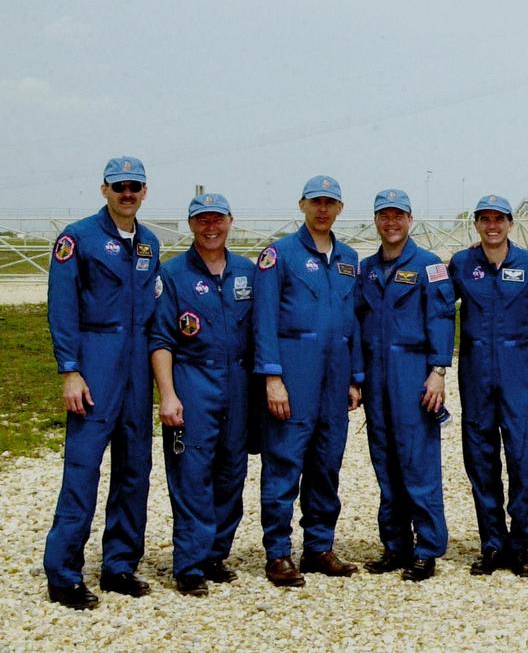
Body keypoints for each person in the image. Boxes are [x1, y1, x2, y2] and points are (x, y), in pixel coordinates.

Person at [44, 156, 161, 609]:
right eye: (119, 187)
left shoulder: (149, 242)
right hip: (95, 361)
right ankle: (63, 573)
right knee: (83, 469)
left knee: (135, 469)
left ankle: (119, 565)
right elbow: (62, 306)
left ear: (145, 192)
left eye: (134, 186)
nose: (126, 194)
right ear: (104, 190)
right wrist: (70, 370)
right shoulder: (78, 239)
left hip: (137, 368)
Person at [253, 175, 363, 587]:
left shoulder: (349, 258)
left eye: (330, 203)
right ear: (301, 205)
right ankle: (278, 553)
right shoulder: (278, 255)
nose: (322, 209)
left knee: (326, 464)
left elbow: (354, 322)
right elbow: (263, 320)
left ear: (339, 208)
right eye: (315, 202)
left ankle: (319, 546)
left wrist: (355, 378)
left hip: (335, 379)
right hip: (294, 375)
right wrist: (272, 378)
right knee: (284, 464)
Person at [150, 193, 255, 597]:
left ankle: (215, 554)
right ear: (191, 224)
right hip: (194, 381)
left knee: (232, 472)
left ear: (230, 221)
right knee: (192, 474)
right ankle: (189, 564)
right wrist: (168, 395)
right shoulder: (172, 275)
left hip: (239, 384)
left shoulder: (247, 271)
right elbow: (160, 339)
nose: (210, 228)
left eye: (217, 220)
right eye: (202, 221)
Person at [355, 189, 455, 582]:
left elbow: (443, 317)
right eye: (384, 216)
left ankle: (427, 547)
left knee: (418, 462)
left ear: (410, 220)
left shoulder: (429, 265)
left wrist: (439, 370)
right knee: (386, 462)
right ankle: (395, 545)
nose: (391, 223)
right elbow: (357, 323)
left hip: (414, 371)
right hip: (377, 376)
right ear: (376, 220)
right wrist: (356, 377)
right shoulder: (366, 269)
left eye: (398, 216)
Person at [448, 195, 528, 578]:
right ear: (476, 224)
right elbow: (432, 299)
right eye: (484, 219)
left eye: (499, 219)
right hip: (475, 373)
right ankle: (491, 544)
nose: (492, 226)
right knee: (481, 460)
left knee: (522, 460)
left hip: (517, 374)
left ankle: (519, 546)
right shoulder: (461, 263)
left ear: (510, 223)